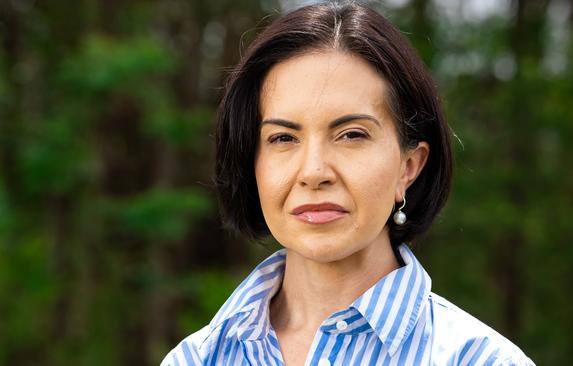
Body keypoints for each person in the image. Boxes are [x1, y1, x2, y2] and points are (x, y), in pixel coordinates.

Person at [162, 1, 535, 365]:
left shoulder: (480, 359)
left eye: (351, 135)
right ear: (251, 163)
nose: (313, 172)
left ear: (408, 167)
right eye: (283, 138)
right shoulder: (197, 358)